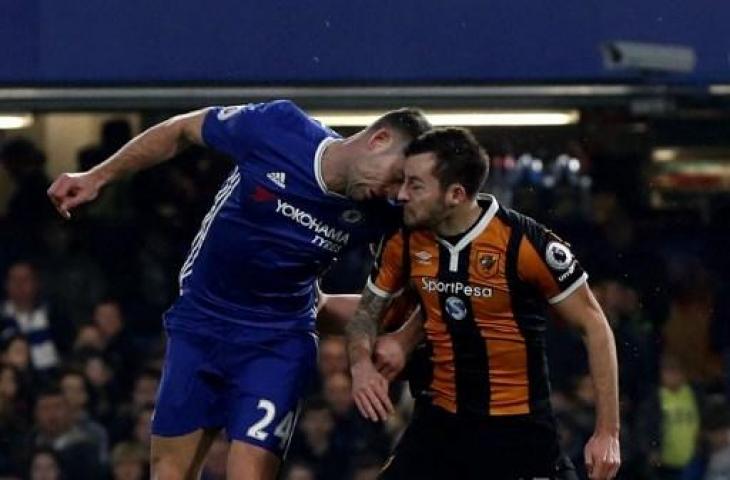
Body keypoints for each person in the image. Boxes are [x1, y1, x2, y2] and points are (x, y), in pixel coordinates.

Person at [47, 99, 431, 480]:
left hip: (277, 341)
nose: (397, 193)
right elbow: (181, 128)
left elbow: (416, 288)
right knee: (169, 472)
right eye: (398, 178)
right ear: (379, 139)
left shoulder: (384, 213)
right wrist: (98, 176)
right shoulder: (277, 127)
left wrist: (389, 347)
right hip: (202, 322)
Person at [346, 127, 621, 480]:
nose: (400, 195)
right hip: (440, 423)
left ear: (455, 194)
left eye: (415, 185)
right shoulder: (403, 240)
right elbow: (367, 313)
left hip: (518, 430)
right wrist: (360, 366)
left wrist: (607, 433)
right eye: (403, 182)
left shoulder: (524, 243)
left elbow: (595, 327)